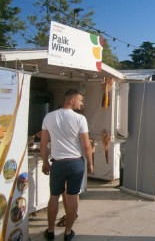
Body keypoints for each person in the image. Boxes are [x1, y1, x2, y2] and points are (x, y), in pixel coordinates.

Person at [40, 89, 94, 241]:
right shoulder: (80, 119)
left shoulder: (49, 117)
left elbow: (44, 144)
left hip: (58, 164)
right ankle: (68, 232)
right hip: (76, 163)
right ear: (71, 101)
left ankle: (50, 231)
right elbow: (86, 145)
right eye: (80, 100)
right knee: (72, 197)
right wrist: (90, 163)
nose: (82, 103)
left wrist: (45, 162)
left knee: (54, 197)